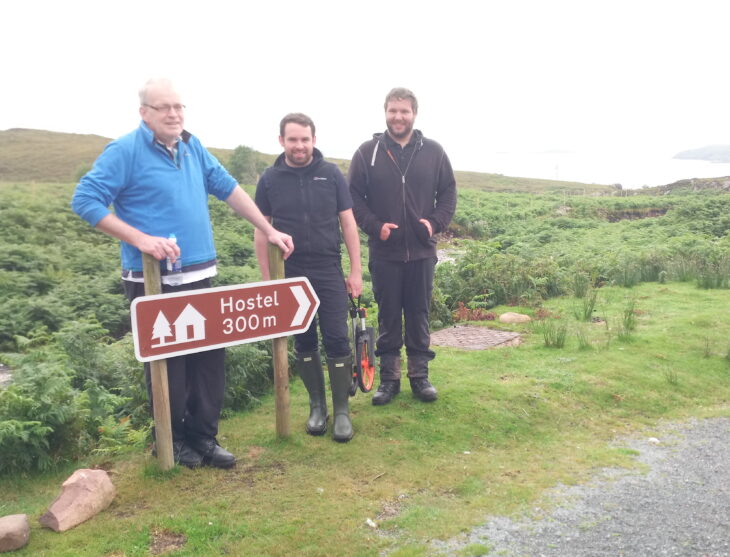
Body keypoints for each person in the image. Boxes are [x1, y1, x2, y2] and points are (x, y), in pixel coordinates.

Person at [71, 78, 293, 468]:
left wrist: (268, 228)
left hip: (198, 275)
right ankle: (170, 443)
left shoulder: (192, 147)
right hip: (153, 280)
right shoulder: (123, 151)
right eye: (163, 108)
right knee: (168, 367)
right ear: (145, 113)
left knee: (208, 360)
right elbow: (85, 200)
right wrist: (140, 239)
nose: (174, 114)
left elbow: (228, 188)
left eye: (178, 107)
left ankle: (204, 438)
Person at [254, 113, 362, 442]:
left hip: (328, 268)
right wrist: (268, 280)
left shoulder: (330, 175)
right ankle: (318, 407)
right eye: (292, 139)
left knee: (336, 339)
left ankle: (342, 411)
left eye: (305, 139)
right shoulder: (269, 180)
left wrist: (355, 270)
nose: (299, 145)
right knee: (303, 340)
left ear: (314, 140)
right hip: (291, 272)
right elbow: (261, 231)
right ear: (281, 141)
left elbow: (348, 224)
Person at [348, 87, 456, 405]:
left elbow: (449, 191)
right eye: (393, 111)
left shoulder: (434, 152)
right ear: (385, 112)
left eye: (404, 111)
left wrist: (434, 223)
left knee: (420, 313)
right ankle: (389, 379)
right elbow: (352, 196)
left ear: (414, 114)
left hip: (422, 251)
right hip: (385, 252)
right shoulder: (367, 152)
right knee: (389, 315)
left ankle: (420, 377)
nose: (398, 117)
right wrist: (375, 226)